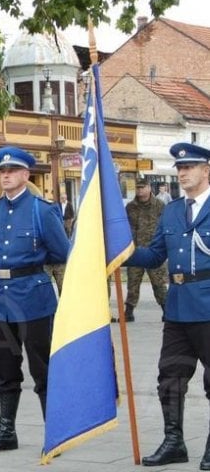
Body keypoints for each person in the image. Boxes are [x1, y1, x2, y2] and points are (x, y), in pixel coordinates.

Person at [0, 147, 70, 453]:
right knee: (5, 367)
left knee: (41, 368)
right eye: (2, 171)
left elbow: (61, 251)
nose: (6, 176)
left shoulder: (42, 210)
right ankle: (6, 432)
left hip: (32, 298)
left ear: (26, 175)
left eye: (12, 171)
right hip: (0, 301)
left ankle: (55, 432)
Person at [124, 143, 210, 469]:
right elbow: (154, 255)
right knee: (170, 377)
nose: (183, 172)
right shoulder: (172, 210)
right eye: (179, 168)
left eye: (190, 166)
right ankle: (174, 442)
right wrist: (122, 250)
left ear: (207, 170)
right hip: (177, 309)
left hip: (209, 306)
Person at [114, 177, 168, 323]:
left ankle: (167, 311)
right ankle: (129, 312)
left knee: (159, 283)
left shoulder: (159, 205)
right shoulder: (130, 207)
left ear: (149, 188)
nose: (140, 190)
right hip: (135, 251)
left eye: (142, 187)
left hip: (154, 251)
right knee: (133, 283)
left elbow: (165, 226)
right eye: (137, 188)